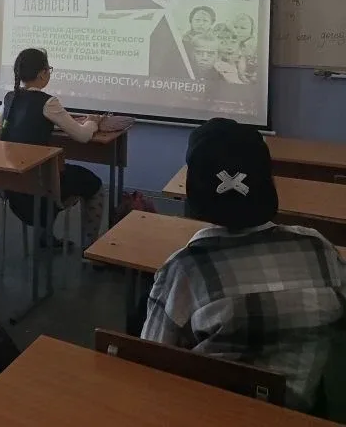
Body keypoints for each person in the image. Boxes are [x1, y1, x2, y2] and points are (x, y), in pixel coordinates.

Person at [143, 118, 345, 412]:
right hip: (300, 412)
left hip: (204, 414)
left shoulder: (185, 270)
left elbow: (151, 362)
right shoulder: (319, 250)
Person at [0, 48, 104, 248]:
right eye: (49, 69)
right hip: (42, 189)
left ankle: (46, 237)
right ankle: (91, 248)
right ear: (42, 73)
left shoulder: (10, 97)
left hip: (14, 187)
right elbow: (82, 136)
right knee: (95, 184)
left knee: (50, 170)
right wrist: (92, 122)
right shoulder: (48, 102)